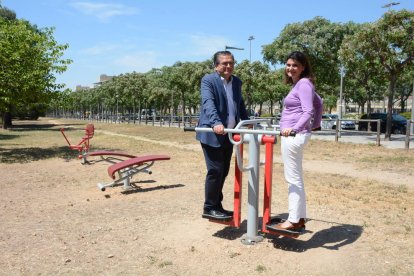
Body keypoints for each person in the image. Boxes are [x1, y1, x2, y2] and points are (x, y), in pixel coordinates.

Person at [196, 50, 249, 220]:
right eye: (224, 63)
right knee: (215, 170)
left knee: (224, 171)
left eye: (231, 63)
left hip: (229, 135)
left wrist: (248, 122)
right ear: (216, 66)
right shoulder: (208, 80)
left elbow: (239, 104)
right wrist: (215, 122)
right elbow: (208, 102)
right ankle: (209, 207)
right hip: (213, 133)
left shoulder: (236, 82)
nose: (228, 66)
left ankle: (217, 205)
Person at [275, 51, 323, 232]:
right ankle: (300, 218)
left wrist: (294, 129)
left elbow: (308, 110)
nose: (290, 68)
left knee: (292, 179)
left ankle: (293, 220)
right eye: (288, 65)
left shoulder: (303, 83)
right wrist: (316, 125)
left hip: (293, 136)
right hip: (295, 135)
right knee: (296, 178)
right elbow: (319, 103)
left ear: (303, 67)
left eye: (295, 65)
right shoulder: (303, 84)